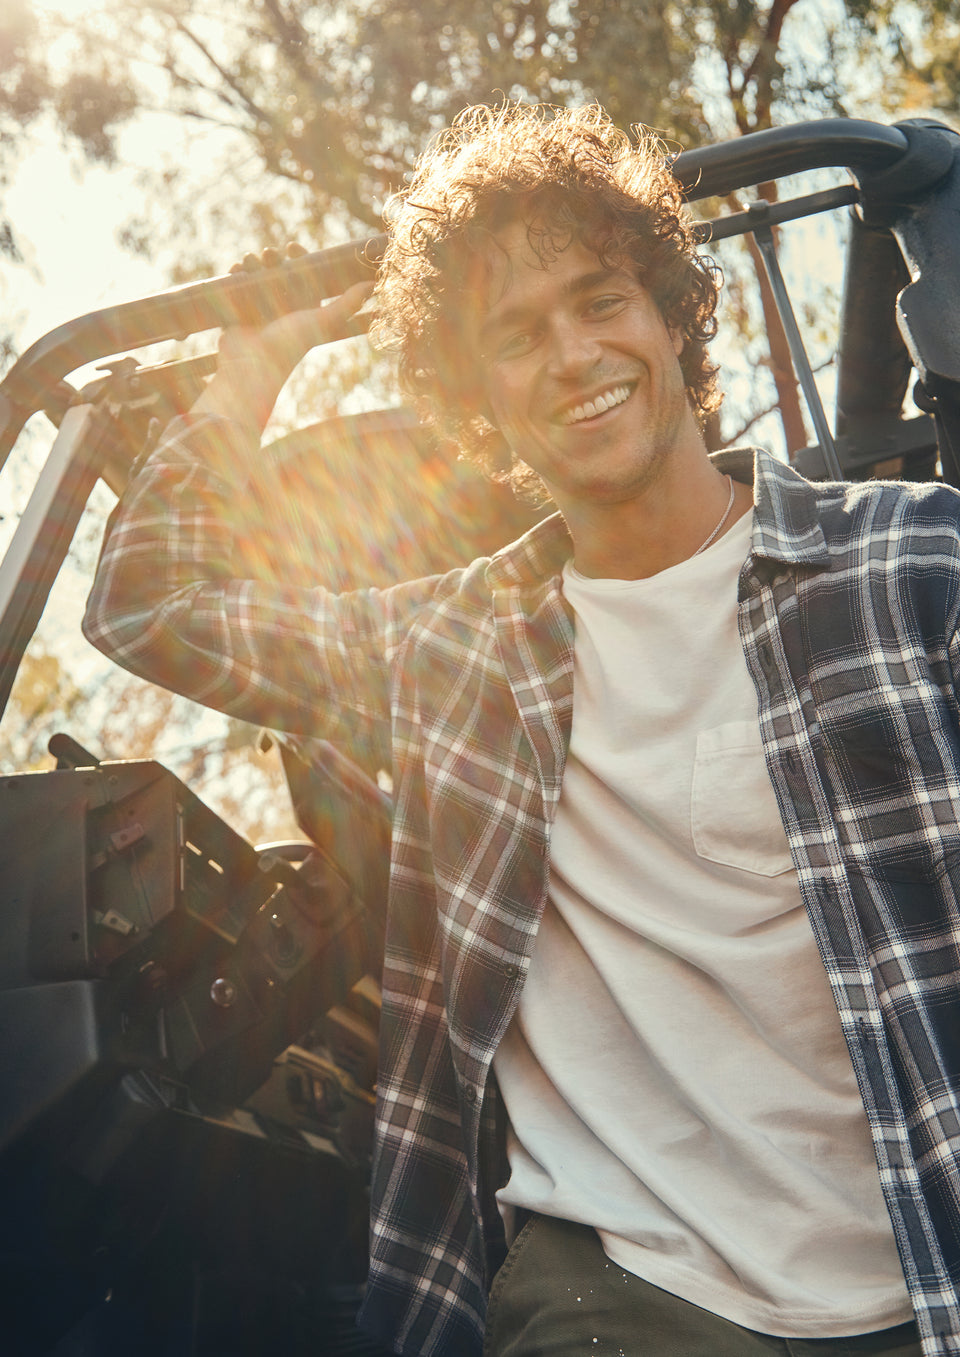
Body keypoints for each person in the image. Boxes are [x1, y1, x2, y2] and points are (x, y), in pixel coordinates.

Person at [81, 101, 960, 1357]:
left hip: (923, 1261)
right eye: (516, 334)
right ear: (476, 398)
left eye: (601, 300)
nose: (572, 354)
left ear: (671, 316)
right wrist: (248, 374)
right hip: (624, 1294)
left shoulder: (913, 562)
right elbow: (150, 604)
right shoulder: (448, 646)